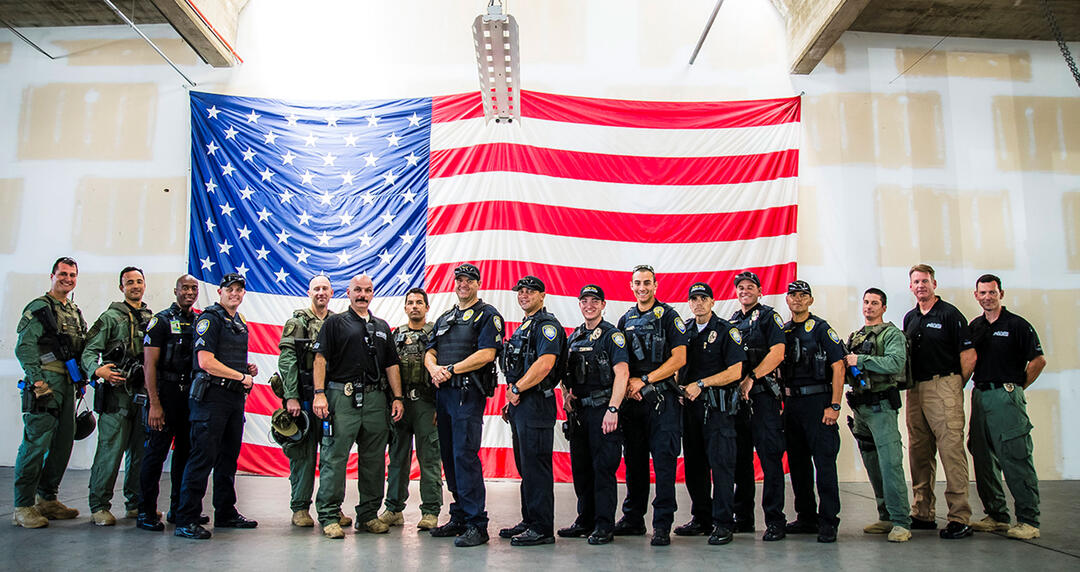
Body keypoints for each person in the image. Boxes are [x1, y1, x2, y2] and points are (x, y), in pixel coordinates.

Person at [311, 274, 404, 539]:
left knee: (374, 461)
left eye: (367, 290)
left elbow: (391, 365)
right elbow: (320, 359)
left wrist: (397, 397)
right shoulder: (334, 323)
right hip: (342, 397)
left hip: (376, 401)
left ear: (372, 293)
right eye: (357, 290)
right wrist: (320, 394)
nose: (362, 294)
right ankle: (329, 515)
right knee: (335, 457)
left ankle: (368, 515)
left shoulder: (382, 326)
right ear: (348, 293)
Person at [174, 273, 259, 540]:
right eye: (230, 289)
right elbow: (205, 362)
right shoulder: (209, 318)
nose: (235, 294)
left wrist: (244, 369)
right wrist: (241, 376)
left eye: (239, 290)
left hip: (233, 399)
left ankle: (225, 511)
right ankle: (185, 518)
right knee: (201, 458)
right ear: (220, 291)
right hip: (211, 399)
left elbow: (226, 360)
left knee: (227, 459)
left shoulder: (238, 322)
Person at [424, 263, 504, 548]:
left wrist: (451, 369)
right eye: (459, 280)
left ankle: (476, 523)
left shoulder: (487, 315)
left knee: (464, 456)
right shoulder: (446, 317)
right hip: (444, 395)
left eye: (469, 280)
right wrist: (434, 368)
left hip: (467, 395)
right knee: (448, 456)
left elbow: (487, 354)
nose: (463, 284)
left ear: (477, 284)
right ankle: (458, 515)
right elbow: (429, 350)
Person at [966, 274, 1046, 540]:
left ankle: (1028, 520)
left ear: (1001, 294)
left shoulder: (1017, 325)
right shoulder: (975, 326)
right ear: (976, 295)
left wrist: (1017, 386)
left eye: (992, 292)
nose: (987, 297)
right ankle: (997, 515)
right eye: (983, 293)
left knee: (1015, 455)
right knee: (982, 455)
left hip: (1006, 396)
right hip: (980, 396)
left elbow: (1038, 360)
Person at [614, 264, 689, 546]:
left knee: (664, 463)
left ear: (656, 285)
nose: (642, 287)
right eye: (637, 283)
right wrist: (629, 388)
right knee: (634, 463)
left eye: (647, 282)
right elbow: (620, 362)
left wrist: (644, 380)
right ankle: (633, 519)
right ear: (631, 286)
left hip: (662, 402)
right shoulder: (625, 319)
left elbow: (679, 358)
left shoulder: (669, 316)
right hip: (633, 403)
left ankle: (661, 524)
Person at [12, 257, 87, 528]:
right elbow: (25, 347)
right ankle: (22, 505)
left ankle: (48, 499)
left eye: (72, 275)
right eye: (63, 274)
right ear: (52, 276)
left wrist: (82, 379)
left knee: (62, 444)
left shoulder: (75, 312)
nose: (67, 279)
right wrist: (37, 380)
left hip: (69, 384)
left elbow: (80, 348)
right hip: (45, 384)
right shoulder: (40, 308)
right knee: (35, 445)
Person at [904, 264, 976, 539]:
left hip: (943, 385)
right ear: (910, 287)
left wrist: (955, 387)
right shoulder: (911, 317)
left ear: (934, 283)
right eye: (916, 282)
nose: (921, 285)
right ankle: (923, 513)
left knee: (951, 452)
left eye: (925, 281)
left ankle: (959, 517)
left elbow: (968, 355)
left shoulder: (949, 314)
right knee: (919, 453)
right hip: (916, 390)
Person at [277, 275, 350, 529]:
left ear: (332, 293)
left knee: (334, 455)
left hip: (332, 397)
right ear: (309, 292)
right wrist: (292, 396)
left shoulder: (338, 323)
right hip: (305, 398)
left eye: (325, 289)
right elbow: (287, 362)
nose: (321, 292)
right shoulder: (297, 322)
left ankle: (332, 506)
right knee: (304, 455)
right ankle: (300, 507)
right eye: (316, 288)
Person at [81, 266, 153, 526]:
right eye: (129, 282)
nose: (135, 286)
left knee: (140, 452)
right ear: (121, 287)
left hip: (142, 395)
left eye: (139, 281)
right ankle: (98, 505)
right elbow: (89, 351)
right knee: (110, 451)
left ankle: (134, 504)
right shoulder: (110, 317)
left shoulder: (150, 318)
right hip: (117, 395)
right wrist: (98, 370)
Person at [557, 284, 628, 546]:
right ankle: (584, 520)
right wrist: (566, 394)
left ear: (603, 304)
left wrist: (613, 408)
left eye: (595, 301)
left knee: (603, 470)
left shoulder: (612, 335)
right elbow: (564, 373)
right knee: (582, 470)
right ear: (579, 304)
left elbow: (622, 373)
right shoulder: (574, 337)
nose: (589, 305)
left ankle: (603, 525)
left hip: (602, 410)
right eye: (585, 300)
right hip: (580, 414)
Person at [677, 282, 748, 546]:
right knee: (694, 466)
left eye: (703, 298)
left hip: (717, 409)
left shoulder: (727, 331)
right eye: (693, 298)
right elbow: (677, 363)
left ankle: (723, 523)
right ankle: (701, 518)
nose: (698, 303)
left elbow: (735, 372)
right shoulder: (684, 331)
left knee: (721, 466)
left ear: (712, 301)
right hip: (690, 409)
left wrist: (701, 384)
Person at [499, 276, 566, 546]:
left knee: (536, 467)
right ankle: (529, 519)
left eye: (530, 291)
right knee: (526, 466)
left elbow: (545, 364)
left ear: (542, 295)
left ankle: (541, 527)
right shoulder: (527, 325)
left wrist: (517, 390)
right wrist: (512, 398)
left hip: (536, 403)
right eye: (521, 291)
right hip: (521, 405)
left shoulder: (547, 325)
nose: (524, 295)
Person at [843, 288, 912, 542]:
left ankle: (901, 521)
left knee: (890, 464)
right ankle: (886, 516)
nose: (869, 307)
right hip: (860, 408)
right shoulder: (857, 336)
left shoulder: (892, 334)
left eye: (874, 303)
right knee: (873, 464)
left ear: (883, 307)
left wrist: (860, 360)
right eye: (866, 302)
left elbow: (895, 363)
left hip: (881, 407)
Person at [138, 274, 206, 531]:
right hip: (164, 394)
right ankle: (145, 512)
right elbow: (149, 365)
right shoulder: (161, 321)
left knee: (185, 456)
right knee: (155, 455)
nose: (189, 292)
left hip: (187, 396)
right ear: (175, 290)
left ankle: (179, 510)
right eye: (185, 288)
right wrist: (154, 404)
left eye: (193, 288)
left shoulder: (200, 321)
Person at [780, 280, 845, 543]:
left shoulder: (820, 328)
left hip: (818, 402)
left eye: (802, 295)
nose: (797, 299)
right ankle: (806, 517)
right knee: (798, 464)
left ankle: (828, 520)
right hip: (792, 405)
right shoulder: (783, 331)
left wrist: (835, 405)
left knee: (824, 463)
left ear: (810, 300)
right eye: (793, 295)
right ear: (787, 300)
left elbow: (838, 367)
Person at [727, 270, 788, 541]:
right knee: (740, 461)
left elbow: (778, 352)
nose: (745, 290)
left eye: (750, 286)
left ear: (759, 291)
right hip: (739, 400)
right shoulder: (732, 321)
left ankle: (775, 520)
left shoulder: (767, 316)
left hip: (763, 397)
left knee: (770, 459)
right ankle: (743, 518)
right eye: (740, 287)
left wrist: (753, 377)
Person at [379, 287, 443, 531]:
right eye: (410, 302)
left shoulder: (437, 335)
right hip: (402, 404)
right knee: (397, 459)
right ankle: (394, 509)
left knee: (430, 460)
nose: (415, 306)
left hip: (427, 404)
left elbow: (443, 369)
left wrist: (440, 405)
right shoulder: (396, 336)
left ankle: (430, 511)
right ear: (405, 308)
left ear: (427, 308)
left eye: (419, 302)